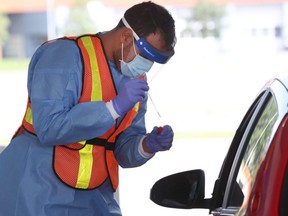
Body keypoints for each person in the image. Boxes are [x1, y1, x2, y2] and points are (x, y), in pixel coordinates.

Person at [0, 1, 176, 215]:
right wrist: (113, 108)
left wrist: (146, 145)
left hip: (93, 196)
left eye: (156, 60)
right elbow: (49, 127)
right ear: (126, 37)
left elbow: (121, 150)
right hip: (35, 189)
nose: (148, 65)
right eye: (146, 56)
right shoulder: (63, 55)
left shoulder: (135, 81)